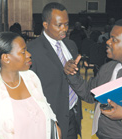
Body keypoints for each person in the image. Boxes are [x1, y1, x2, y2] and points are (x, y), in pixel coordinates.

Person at [0, 32, 61, 139]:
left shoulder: (31, 78)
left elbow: (44, 105)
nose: (29, 54)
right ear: (6, 58)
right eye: (23, 52)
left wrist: (55, 124)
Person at [27, 2, 82, 139]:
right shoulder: (32, 50)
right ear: (45, 25)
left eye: (67, 24)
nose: (64, 29)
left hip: (73, 115)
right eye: (59, 25)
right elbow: (31, 92)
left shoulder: (71, 45)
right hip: (52, 120)